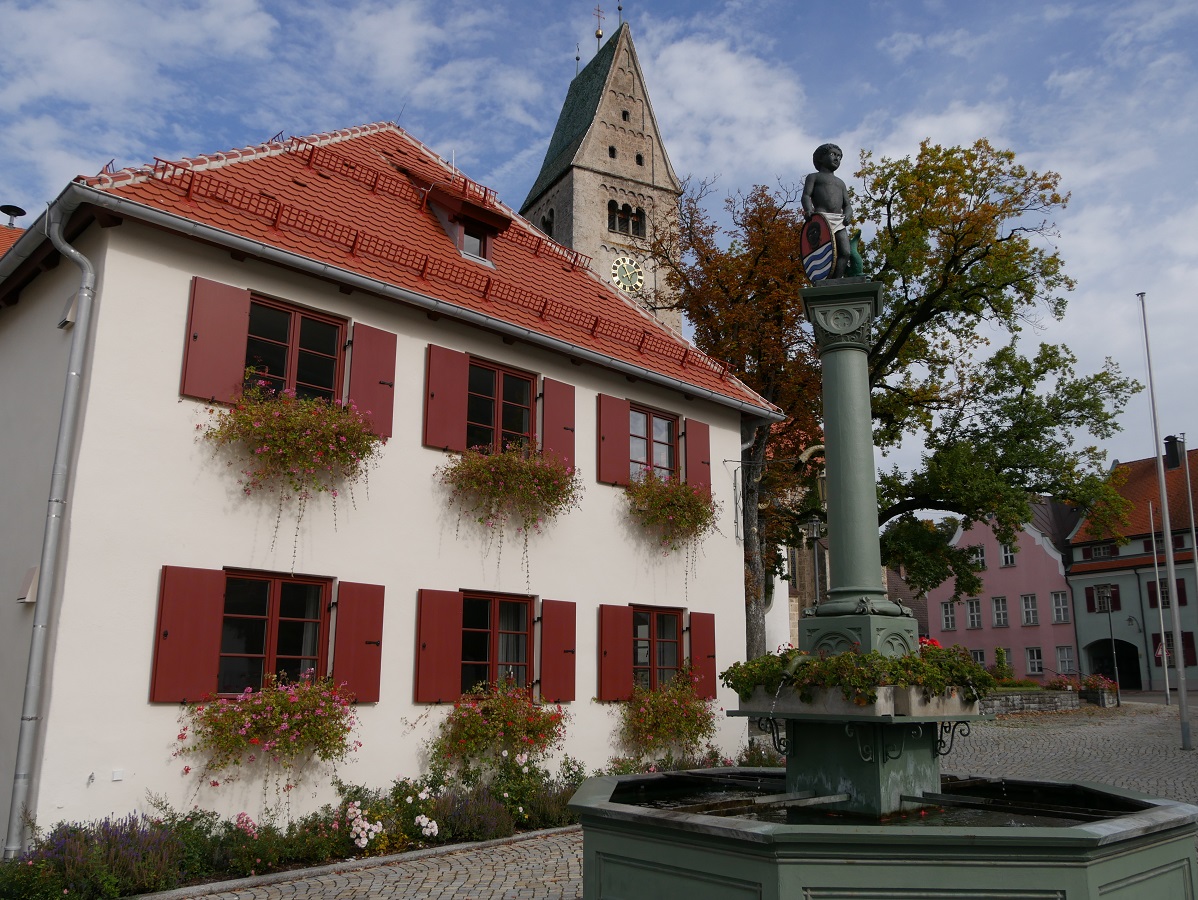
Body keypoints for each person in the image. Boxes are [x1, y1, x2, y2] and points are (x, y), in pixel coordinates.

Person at [802, 143, 854, 279]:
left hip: (838, 220)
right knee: (826, 250)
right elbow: (806, 195)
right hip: (822, 219)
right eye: (833, 154)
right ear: (821, 158)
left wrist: (848, 214)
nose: (837, 159)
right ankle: (827, 279)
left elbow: (847, 205)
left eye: (839, 156)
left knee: (845, 252)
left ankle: (836, 279)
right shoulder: (813, 177)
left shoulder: (840, 183)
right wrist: (808, 210)